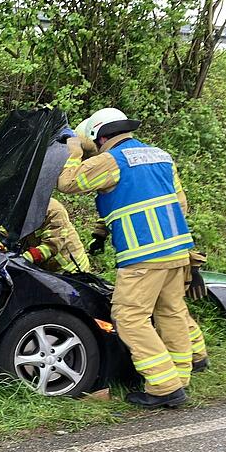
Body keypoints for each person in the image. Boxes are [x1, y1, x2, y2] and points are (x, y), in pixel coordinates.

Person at [58, 108, 195, 409]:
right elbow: (179, 204)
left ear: (100, 135)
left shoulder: (112, 161)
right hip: (178, 250)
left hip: (143, 254)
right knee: (170, 311)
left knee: (129, 318)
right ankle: (180, 375)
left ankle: (163, 385)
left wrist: (73, 150)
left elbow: (68, 183)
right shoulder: (161, 156)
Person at [19, 198, 91, 274]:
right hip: (48, 269)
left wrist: (24, 258)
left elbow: (52, 245)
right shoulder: (20, 207)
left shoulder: (54, 210)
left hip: (71, 268)